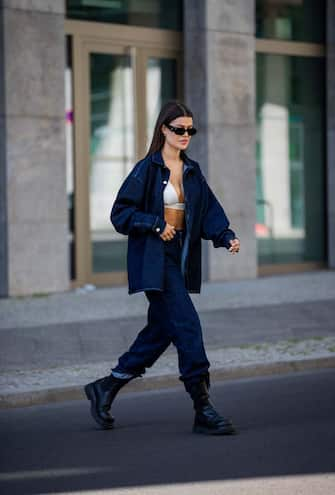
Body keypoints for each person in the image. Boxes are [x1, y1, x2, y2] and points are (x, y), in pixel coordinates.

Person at [84, 100, 241, 435]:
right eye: (179, 129)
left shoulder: (193, 172)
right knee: (187, 326)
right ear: (163, 130)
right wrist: (155, 223)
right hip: (155, 261)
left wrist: (225, 236)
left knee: (159, 333)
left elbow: (210, 211)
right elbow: (120, 214)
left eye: (190, 130)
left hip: (179, 260)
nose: (185, 135)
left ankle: (106, 387)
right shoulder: (147, 169)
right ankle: (203, 409)